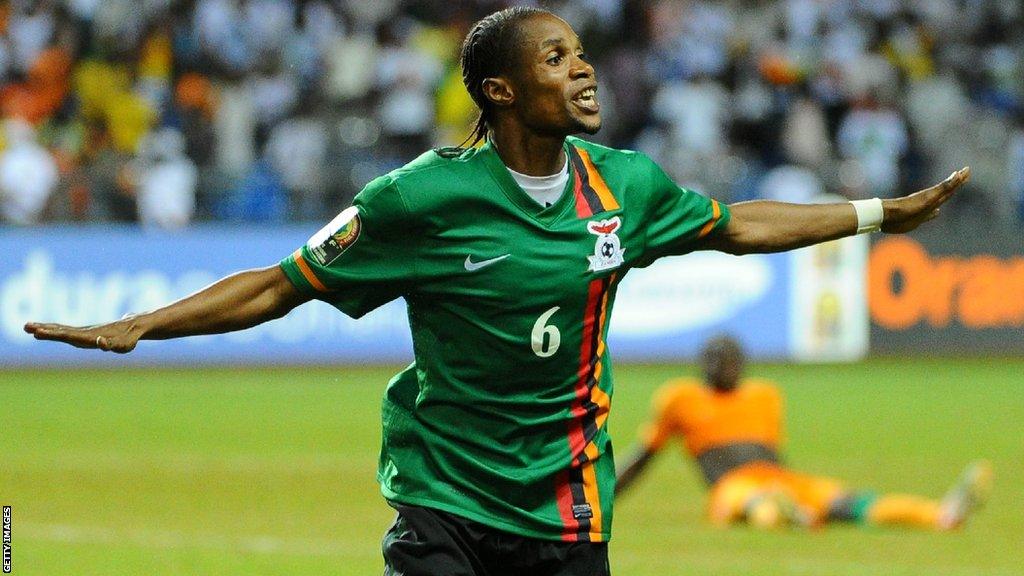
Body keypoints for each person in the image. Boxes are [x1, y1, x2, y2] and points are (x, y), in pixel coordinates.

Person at [24, 7, 972, 575]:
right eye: (555, 58)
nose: (583, 66)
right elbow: (284, 286)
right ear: (501, 91)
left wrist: (878, 213)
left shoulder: (625, 187)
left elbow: (737, 225)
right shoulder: (419, 200)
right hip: (445, 500)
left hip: (567, 505)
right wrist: (142, 325)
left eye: (579, 51)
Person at [615, 336, 992, 531]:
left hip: (781, 479)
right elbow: (644, 457)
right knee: (757, 505)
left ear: (742, 364)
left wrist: (786, 486)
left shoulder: (765, 394)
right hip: (732, 486)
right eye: (717, 362)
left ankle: (940, 515)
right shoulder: (680, 398)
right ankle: (787, 514)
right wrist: (603, 495)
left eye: (730, 361)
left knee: (848, 501)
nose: (724, 368)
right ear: (703, 365)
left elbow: (769, 452)